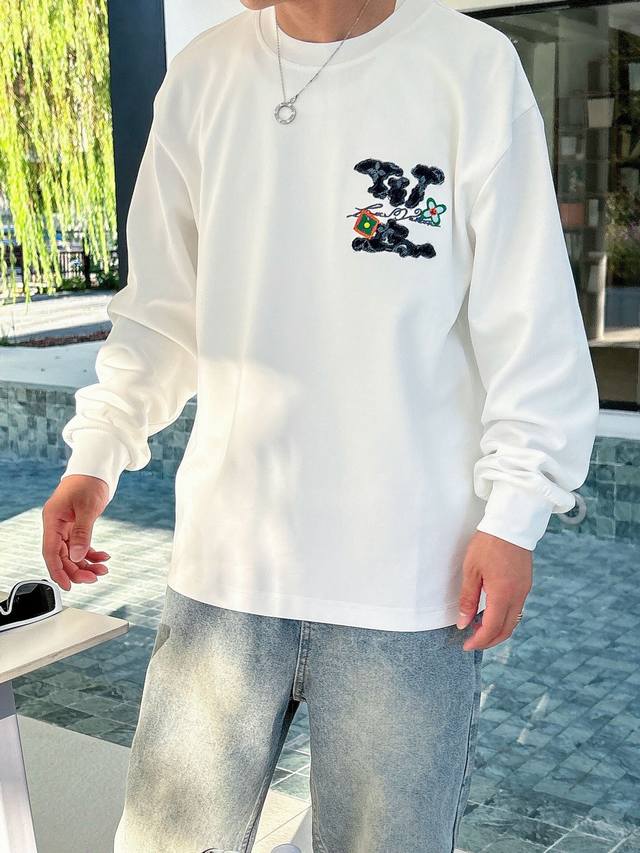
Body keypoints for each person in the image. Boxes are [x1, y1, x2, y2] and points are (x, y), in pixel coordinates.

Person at [41, 0, 600, 850]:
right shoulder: (202, 75)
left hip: (410, 580)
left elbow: (530, 320)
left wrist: (517, 509)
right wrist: (96, 455)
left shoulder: (470, 67)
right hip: (224, 573)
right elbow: (162, 310)